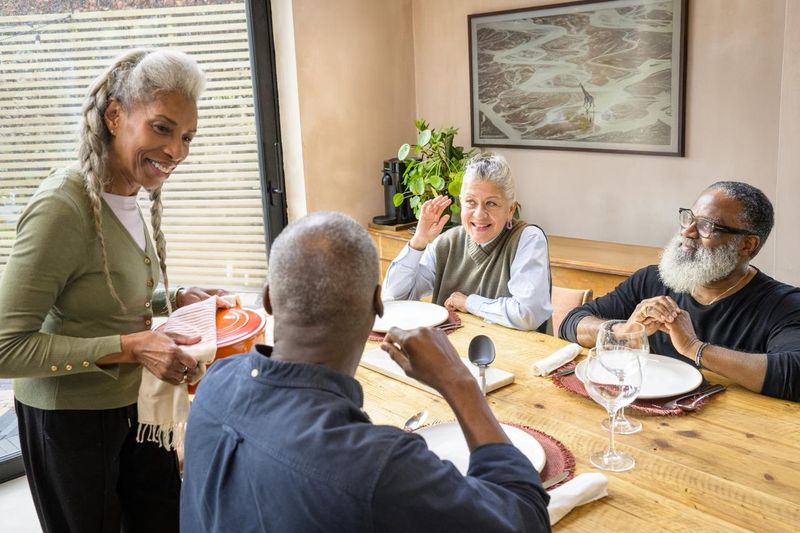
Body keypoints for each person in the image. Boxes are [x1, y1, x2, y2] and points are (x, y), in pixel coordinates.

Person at [181, 212, 551, 532]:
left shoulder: (216, 383)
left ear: (268, 299)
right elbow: (523, 519)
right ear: (378, 304)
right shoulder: (376, 465)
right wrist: (460, 382)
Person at [0, 49, 229, 532]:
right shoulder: (62, 208)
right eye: (162, 128)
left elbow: (95, 293)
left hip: (135, 408)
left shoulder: (125, 191)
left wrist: (176, 296)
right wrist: (128, 348)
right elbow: (6, 348)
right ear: (114, 115)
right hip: (70, 424)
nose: (177, 152)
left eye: (186, 136)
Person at [559, 181, 800, 402]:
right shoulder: (651, 280)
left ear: (747, 245)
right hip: (642, 416)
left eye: (707, 226)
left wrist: (694, 348)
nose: (687, 231)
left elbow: (794, 375)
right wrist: (622, 332)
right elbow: (572, 323)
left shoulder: (784, 305)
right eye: (689, 218)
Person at [382, 153, 551, 331]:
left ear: (510, 210)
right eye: (471, 202)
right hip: (452, 352)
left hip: (516, 355)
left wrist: (468, 303)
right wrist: (419, 241)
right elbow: (394, 298)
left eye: (491, 203)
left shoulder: (528, 239)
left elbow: (527, 314)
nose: (479, 214)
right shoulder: (447, 243)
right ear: (461, 203)